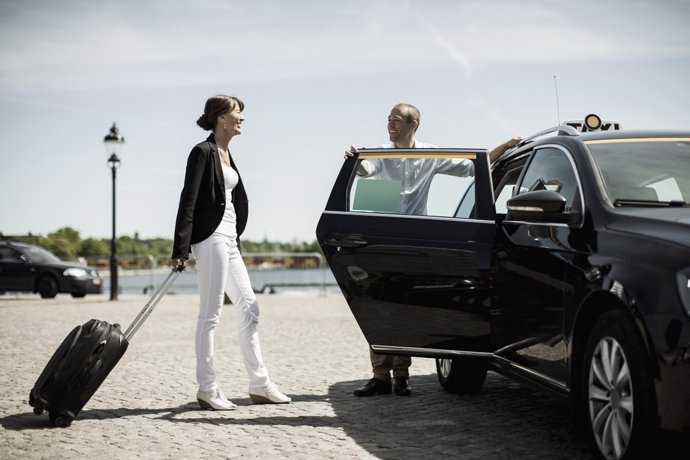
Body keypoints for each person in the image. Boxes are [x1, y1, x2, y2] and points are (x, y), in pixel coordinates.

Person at [347, 102, 522, 397]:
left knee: (403, 308)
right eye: (388, 119)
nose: (390, 124)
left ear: (413, 124)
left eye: (396, 120)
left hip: (415, 241)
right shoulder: (381, 153)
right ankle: (380, 377)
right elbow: (366, 168)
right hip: (383, 240)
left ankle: (401, 377)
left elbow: (473, 168)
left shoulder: (430, 154)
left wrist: (505, 145)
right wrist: (356, 159)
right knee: (377, 306)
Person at [171, 94, 290, 410]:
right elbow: (189, 201)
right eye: (238, 112)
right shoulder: (202, 152)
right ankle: (207, 388)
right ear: (221, 117)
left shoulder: (225, 152)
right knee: (210, 314)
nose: (242, 118)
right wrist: (180, 249)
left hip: (230, 239)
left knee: (250, 307)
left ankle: (259, 383)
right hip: (210, 238)